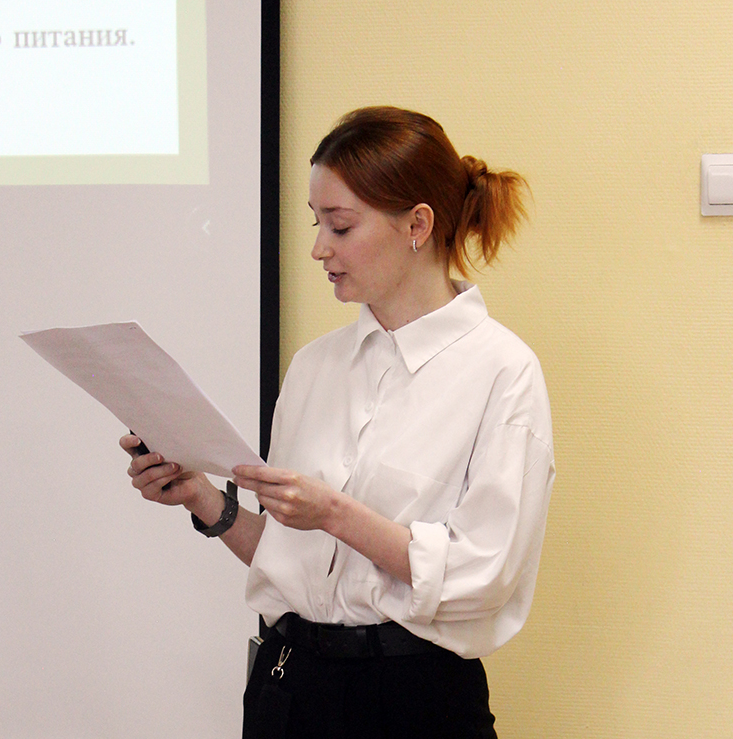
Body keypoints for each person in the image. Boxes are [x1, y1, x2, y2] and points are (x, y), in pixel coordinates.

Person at [122, 106, 554, 739]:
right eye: (316, 222)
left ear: (418, 225)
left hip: (413, 702)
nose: (319, 247)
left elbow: (481, 577)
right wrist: (201, 497)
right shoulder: (314, 366)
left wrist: (333, 513)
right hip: (288, 687)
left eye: (341, 225)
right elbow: (290, 564)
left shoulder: (502, 371)